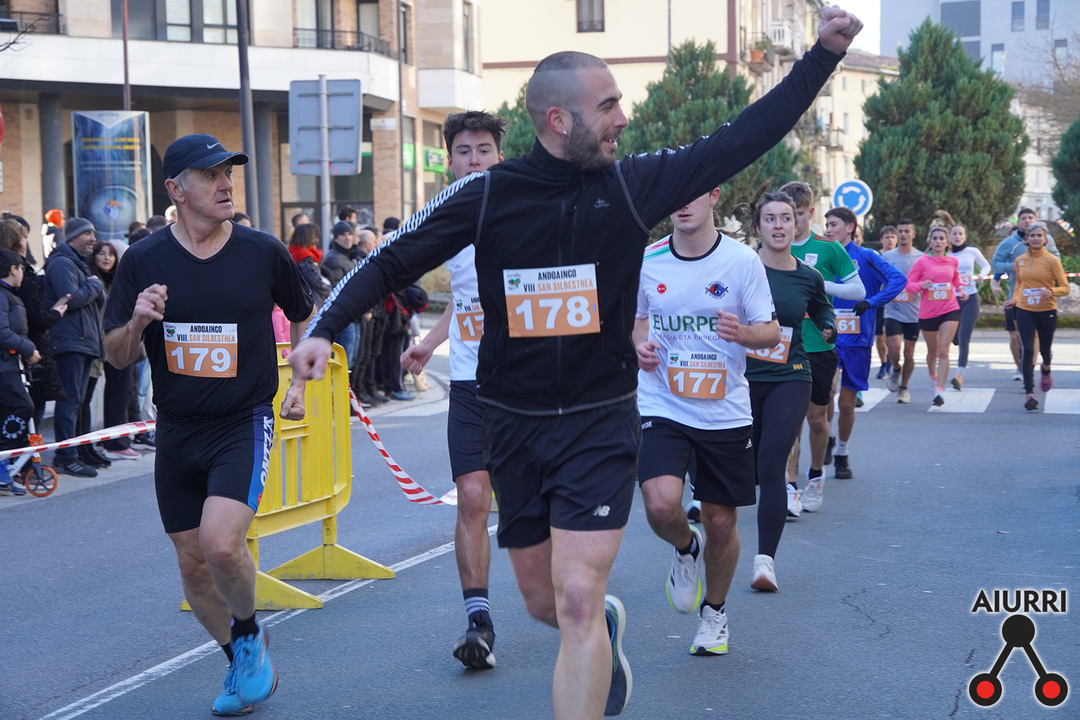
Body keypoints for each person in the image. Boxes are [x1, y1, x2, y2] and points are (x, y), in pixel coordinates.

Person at [287, 11, 860, 717]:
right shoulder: (488, 195)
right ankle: (600, 635)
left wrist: (822, 55)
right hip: (513, 423)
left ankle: (592, 633)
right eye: (608, 106)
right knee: (543, 601)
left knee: (581, 596)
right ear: (559, 121)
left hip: (598, 421)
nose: (624, 118)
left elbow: (743, 137)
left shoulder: (632, 186)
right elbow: (390, 260)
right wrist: (327, 327)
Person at [102, 133, 315, 716]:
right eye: (211, 174)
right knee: (191, 563)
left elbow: (304, 314)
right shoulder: (142, 260)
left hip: (241, 419)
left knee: (221, 545)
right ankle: (239, 656)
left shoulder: (262, 251)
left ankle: (247, 632)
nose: (226, 184)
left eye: (229, 172)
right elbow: (116, 356)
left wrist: (298, 382)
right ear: (176, 189)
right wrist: (138, 321)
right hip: (176, 426)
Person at [634, 187, 779, 653]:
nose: (682, 203)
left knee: (719, 521)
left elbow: (771, 332)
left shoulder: (741, 261)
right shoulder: (649, 259)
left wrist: (743, 333)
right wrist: (640, 346)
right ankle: (685, 547)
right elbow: (637, 320)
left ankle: (714, 614)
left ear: (714, 196)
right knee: (660, 505)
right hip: (663, 402)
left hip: (724, 409)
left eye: (694, 193)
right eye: (675, 192)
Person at [401, 110, 508, 668]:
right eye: (464, 151)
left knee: (536, 506)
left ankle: (578, 601)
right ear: (450, 161)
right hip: (468, 381)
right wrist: (429, 342)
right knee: (471, 496)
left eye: (484, 150)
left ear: (499, 156)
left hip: (523, 384)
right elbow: (465, 300)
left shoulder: (523, 209)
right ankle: (478, 621)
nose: (474, 160)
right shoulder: (444, 216)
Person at [744, 192, 833, 586]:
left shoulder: (808, 275)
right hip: (741, 378)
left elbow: (821, 306)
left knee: (772, 461)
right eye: (770, 218)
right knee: (744, 466)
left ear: (797, 224)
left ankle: (765, 562)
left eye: (786, 218)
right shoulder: (740, 268)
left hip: (791, 374)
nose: (779, 225)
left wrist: (828, 324)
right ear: (758, 226)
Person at [780, 181, 864, 513]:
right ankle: (789, 486)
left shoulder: (828, 248)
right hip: (781, 346)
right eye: (785, 215)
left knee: (816, 419)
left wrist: (820, 283)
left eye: (798, 215)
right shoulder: (771, 247)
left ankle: (815, 475)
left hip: (818, 346)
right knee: (788, 421)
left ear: (810, 213)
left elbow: (858, 290)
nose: (791, 222)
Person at [825, 207, 905, 479]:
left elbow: (898, 279)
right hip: (826, 336)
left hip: (857, 340)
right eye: (826, 224)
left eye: (833, 224)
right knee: (826, 392)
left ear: (850, 227)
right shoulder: (821, 255)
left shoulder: (867, 256)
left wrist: (872, 302)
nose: (828, 229)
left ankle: (842, 452)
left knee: (847, 404)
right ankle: (826, 436)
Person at [44, 218, 106, 478]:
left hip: (83, 342)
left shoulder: (77, 264)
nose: (93, 238)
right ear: (72, 237)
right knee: (69, 401)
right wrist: (94, 285)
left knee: (76, 402)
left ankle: (74, 453)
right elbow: (69, 300)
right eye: (87, 233)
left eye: (94, 233)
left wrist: (93, 287)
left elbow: (93, 300)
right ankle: (65, 457)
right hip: (71, 343)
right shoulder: (61, 263)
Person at [0, 221, 66, 434]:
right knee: (26, 408)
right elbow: (7, 329)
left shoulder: (13, 288)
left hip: (19, 355)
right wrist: (55, 314)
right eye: (24, 236)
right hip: (16, 356)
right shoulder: (8, 290)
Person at [1003, 222, 1069, 411]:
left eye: (1039, 235)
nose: (1036, 238)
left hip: (1047, 310)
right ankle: (1030, 392)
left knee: (1045, 351)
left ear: (1045, 239)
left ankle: (1046, 368)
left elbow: (1065, 288)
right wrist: (1014, 300)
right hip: (1025, 309)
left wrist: (1051, 291)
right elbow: (1019, 284)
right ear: (1027, 239)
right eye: (1032, 235)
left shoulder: (1052, 261)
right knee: (1028, 349)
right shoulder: (1020, 261)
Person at [86, 241, 141, 461]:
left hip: (116, 341)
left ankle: (116, 441)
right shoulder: (91, 281)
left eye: (111, 254)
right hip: (97, 343)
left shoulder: (117, 281)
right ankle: (112, 443)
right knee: (98, 395)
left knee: (123, 390)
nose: (107, 258)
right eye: (102, 253)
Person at [991, 208, 1059, 380]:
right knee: (1016, 335)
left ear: (1036, 219)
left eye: (1031, 217)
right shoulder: (1009, 243)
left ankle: (1029, 369)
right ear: (1018, 222)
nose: (1027, 220)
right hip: (1016, 296)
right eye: (1023, 218)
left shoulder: (1047, 239)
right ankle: (1019, 367)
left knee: (1033, 335)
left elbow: (1057, 259)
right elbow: (996, 265)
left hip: (1040, 297)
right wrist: (1017, 266)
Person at [905, 226, 966, 407]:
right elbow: (909, 285)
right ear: (930, 242)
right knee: (933, 352)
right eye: (935, 238)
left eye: (941, 238)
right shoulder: (922, 262)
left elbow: (956, 279)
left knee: (943, 351)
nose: (938, 241)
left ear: (947, 242)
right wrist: (921, 285)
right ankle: (933, 376)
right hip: (928, 313)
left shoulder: (953, 261)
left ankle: (939, 391)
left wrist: (961, 289)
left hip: (950, 308)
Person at [0, 248, 40, 496]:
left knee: (9, 411)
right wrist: (28, 349)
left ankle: (3, 469)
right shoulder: (2, 295)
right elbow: (2, 332)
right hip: (4, 366)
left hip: (9, 364)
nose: (23, 273)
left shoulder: (8, 295)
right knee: (23, 407)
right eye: (22, 268)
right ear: (13, 269)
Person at [882, 219, 923, 403]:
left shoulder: (921, 257)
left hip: (914, 313)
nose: (904, 234)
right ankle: (896, 368)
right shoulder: (887, 257)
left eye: (907, 231)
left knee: (909, 354)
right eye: (901, 231)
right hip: (893, 310)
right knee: (894, 348)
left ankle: (904, 388)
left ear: (913, 234)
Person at [947, 224, 992, 390]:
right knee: (955, 339)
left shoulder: (972, 251)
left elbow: (986, 265)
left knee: (964, 338)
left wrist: (981, 275)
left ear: (965, 236)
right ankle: (956, 342)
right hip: (951, 300)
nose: (957, 237)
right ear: (950, 237)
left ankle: (959, 375)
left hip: (970, 298)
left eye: (960, 234)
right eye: (954, 234)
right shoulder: (946, 255)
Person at [320, 221, 361, 368]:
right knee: (342, 364)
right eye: (343, 234)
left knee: (350, 360)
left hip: (353, 315)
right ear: (336, 238)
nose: (347, 237)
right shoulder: (334, 259)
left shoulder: (349, 257)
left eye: (350, 234)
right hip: (344, 317)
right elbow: (338, 289)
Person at [874, 225, 898, 379]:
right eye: (887, 237)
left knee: (889, 333)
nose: (890, 240)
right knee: (879, 335)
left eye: (892, 237)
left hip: (894, 301)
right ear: (881, 239)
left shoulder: (899, 257)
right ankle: (883, 362)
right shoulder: (876, 256)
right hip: (878, 299)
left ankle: (890, 361)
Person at [288, 223, 331, 307]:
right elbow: (315, 281)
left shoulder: (291, 253)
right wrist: (330, 290)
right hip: (311, 300)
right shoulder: (304, 255)